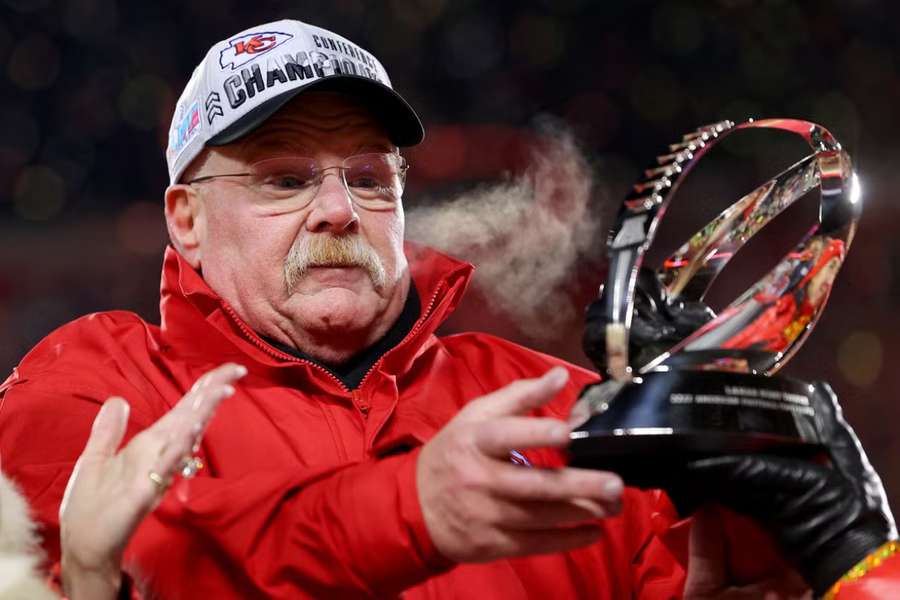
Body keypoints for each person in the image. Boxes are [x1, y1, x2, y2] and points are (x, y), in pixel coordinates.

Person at [0, 17, 896, 599]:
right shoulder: (93, 389)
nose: (338, 210)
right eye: (284, 179)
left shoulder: (552, 407)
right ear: (186, 221)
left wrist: (841, 561)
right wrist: (409, 511)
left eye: (367, 177)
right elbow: (152, 569)